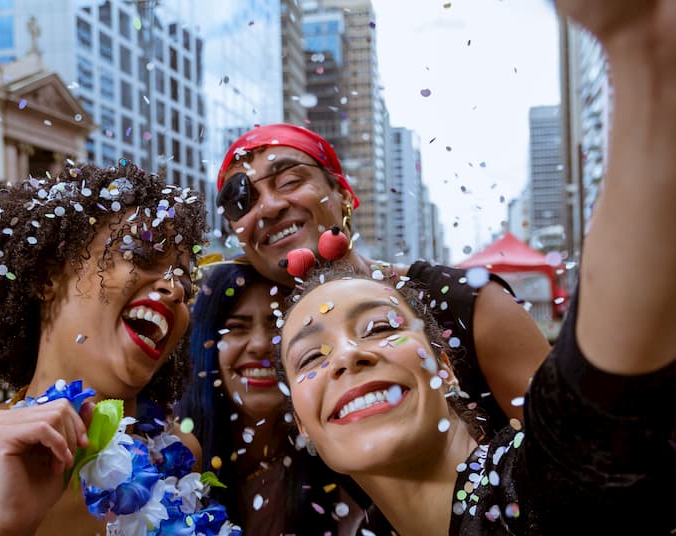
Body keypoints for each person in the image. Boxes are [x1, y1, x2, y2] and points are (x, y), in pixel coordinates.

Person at [278, 1, 676, 534]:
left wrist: (641, 51)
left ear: (444, 366)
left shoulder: (542, 484)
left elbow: (596, 400)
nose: (348, 356)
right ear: (302, 425)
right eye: (309, 357)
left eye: (380, 327)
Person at [0, 162, 221, 535]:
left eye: (186, 286)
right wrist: (4, 525)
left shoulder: (180, 455)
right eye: (142, 257)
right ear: (47, 279)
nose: (175, 289)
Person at [216, 122, 549, 439]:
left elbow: (575, 455)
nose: (269, 207)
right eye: (241, 201)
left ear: (343, 193)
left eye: (289, 181)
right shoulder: (259, 343)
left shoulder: (469, 302)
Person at [180, 261, 359, 534]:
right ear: (206, 344)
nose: (261, 344)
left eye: (277, 325)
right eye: (237, 327)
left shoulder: (348, 465)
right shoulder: (164, 452)